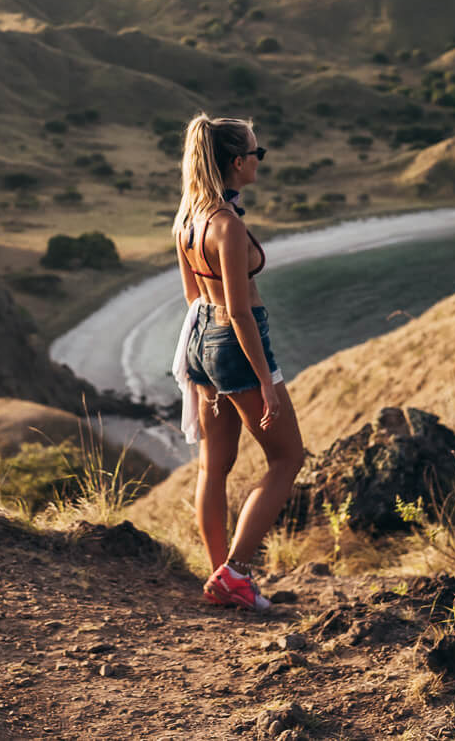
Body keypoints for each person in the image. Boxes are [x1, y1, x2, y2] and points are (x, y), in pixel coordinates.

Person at [170, 112, 305, 612]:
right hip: (235, 345)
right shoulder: (225, 226)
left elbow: (194, 298)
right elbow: (240, 311)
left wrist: (204, 365)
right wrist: (266, 383)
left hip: (200, 342)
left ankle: (220, 576)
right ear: (236, 162)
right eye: (256, 154)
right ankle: (237, 572)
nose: (259, 161)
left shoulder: (188, 217)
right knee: (288, 458)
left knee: (215, 465)